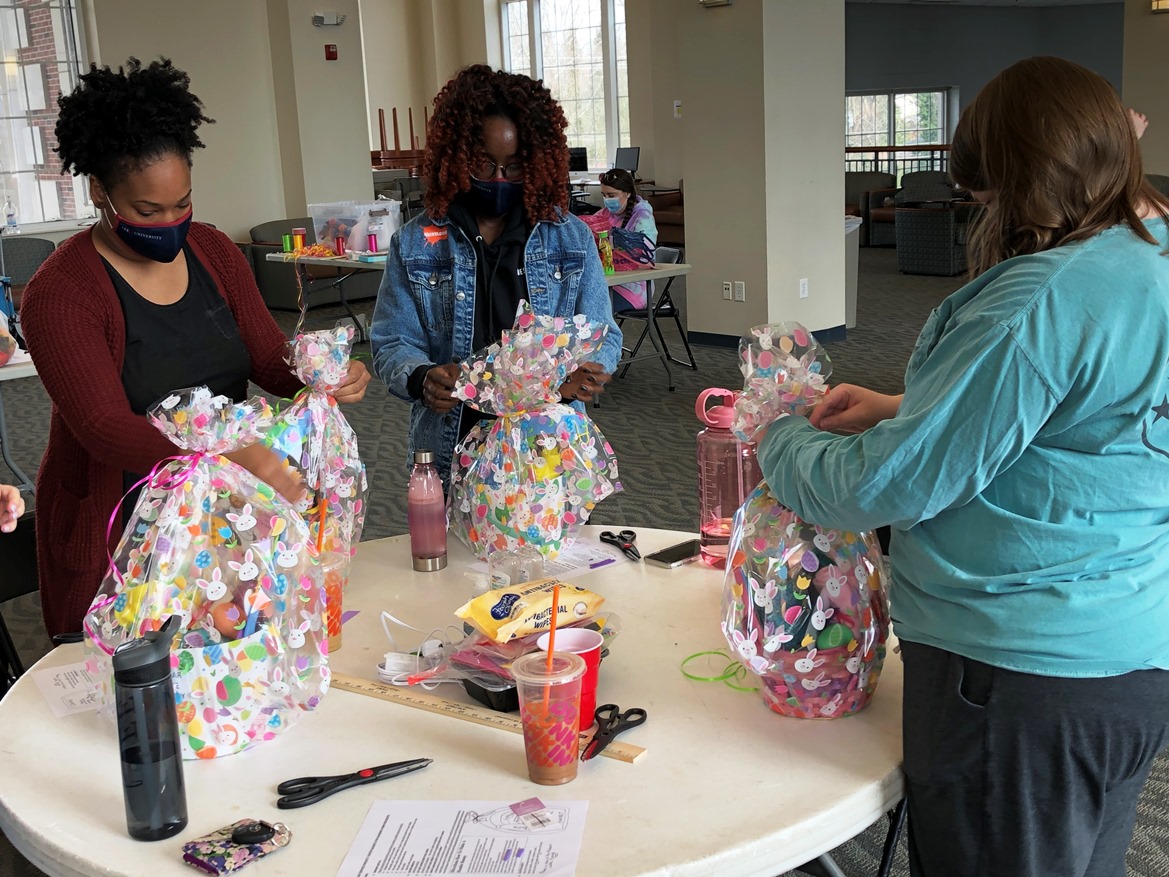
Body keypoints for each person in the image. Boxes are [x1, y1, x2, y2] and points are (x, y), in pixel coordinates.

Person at [756, 57, 1169, 877]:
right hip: (1127, 651)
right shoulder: (1146, 256)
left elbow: (886, 485)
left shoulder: (1037, 302)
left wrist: (773, 433)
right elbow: (1082, 418)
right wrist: (906, 403)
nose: (981, 211)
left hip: (1016, 672)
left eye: (984, 194)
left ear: (1014, 182)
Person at [20, 58, 370, 638]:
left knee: (228, 662)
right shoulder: (61, 293)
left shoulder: (211, 250)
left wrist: (320, 376)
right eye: (146, 211)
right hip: (122, 522)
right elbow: (102, 426)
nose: (171, 223)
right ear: (99, 192)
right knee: (140, 684)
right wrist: (231, 451)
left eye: (182, 203)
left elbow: (263, 355)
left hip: (219, 514)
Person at [370, 64, 622, 485]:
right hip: (454, 443)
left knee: (557, 550)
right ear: (456, 160)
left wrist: (592, 368)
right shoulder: (415, 244)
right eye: (484, 166)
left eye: (516, 167)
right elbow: (393, 340)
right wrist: (420, 377)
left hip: (549, 448)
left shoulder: (571, 240)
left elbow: (603, 332)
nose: (500, 180)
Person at [597, 168, 658, 311]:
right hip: (608, 283)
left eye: (611, 195)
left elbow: (644, 254)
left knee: (594, 310)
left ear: (628, 193)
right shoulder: (604, 214)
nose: (607, 199)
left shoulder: (642, 216)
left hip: (633, 288)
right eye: (604, 195)